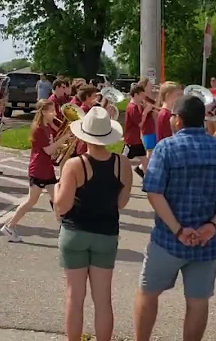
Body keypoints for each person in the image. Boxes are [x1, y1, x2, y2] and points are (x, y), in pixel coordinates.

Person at [134, 95, 216, 341]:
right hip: (208, 241)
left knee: (148, 293)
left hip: (168, 239)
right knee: (198, 301)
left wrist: (178, 229)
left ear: (178, 120)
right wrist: (213, 226)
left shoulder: (165, 148)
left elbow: (154, 192)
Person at [52, 106, 131, 341]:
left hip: (75, 232)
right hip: (106, 234)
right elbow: (121, 203)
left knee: (74, 298)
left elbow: (61, 207)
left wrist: (57, 189)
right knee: (103, 299)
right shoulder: (123, 164)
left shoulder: (75, 165)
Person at [0, 100, 71, 242]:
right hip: (38, 169)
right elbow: (49, 149)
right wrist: (64, 138)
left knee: (57, 199)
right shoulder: (38, 128)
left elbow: (52, 145)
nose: (55, 113)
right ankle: (10, 226)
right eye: (51, 111)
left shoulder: (47, 126)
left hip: (46, 168)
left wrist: (66, 140)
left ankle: (65, 228)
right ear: (43, 112)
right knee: (31, 200)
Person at [123, 85, 149, 178]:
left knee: (144, 159)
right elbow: (140, 124)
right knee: (123, 161)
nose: (143, 97)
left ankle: (147, 179)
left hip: (135, 139)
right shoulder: (132, 107)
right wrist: (145, 112)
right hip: (131, 140)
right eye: (142, 95)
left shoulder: (135, 106)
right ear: (136, 95)